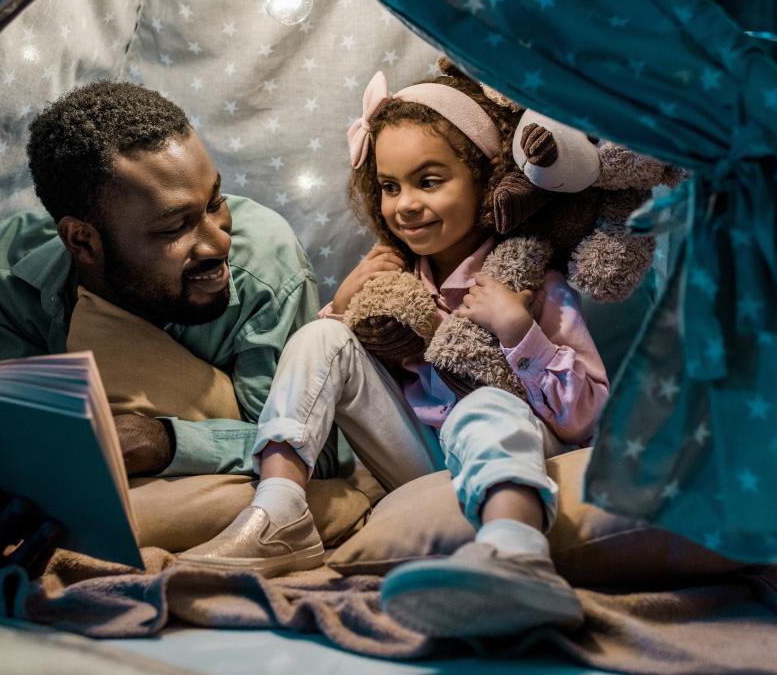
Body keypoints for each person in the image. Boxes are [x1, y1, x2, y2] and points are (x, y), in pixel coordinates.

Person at [178, 68, 610, 638]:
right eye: (390, 186)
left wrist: (518, 331)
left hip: (514, 442)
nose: (405, 205)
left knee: (482, 407)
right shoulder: (393, 277)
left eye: (429, 181)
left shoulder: (530, 281)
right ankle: (279, 510)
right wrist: (342, 303)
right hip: (418, 457)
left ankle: (516, 551)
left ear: (482, 181)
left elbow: (586, 417)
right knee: (320, 336)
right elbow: (322, 380)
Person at [0, 81, 344, 480]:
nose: (219, 241)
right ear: (83, 241)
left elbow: (315, 453)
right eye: (174, 227)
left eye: (216, 201)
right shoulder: (8, 273)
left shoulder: (267, 270)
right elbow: (7, 441)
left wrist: (167, 442)